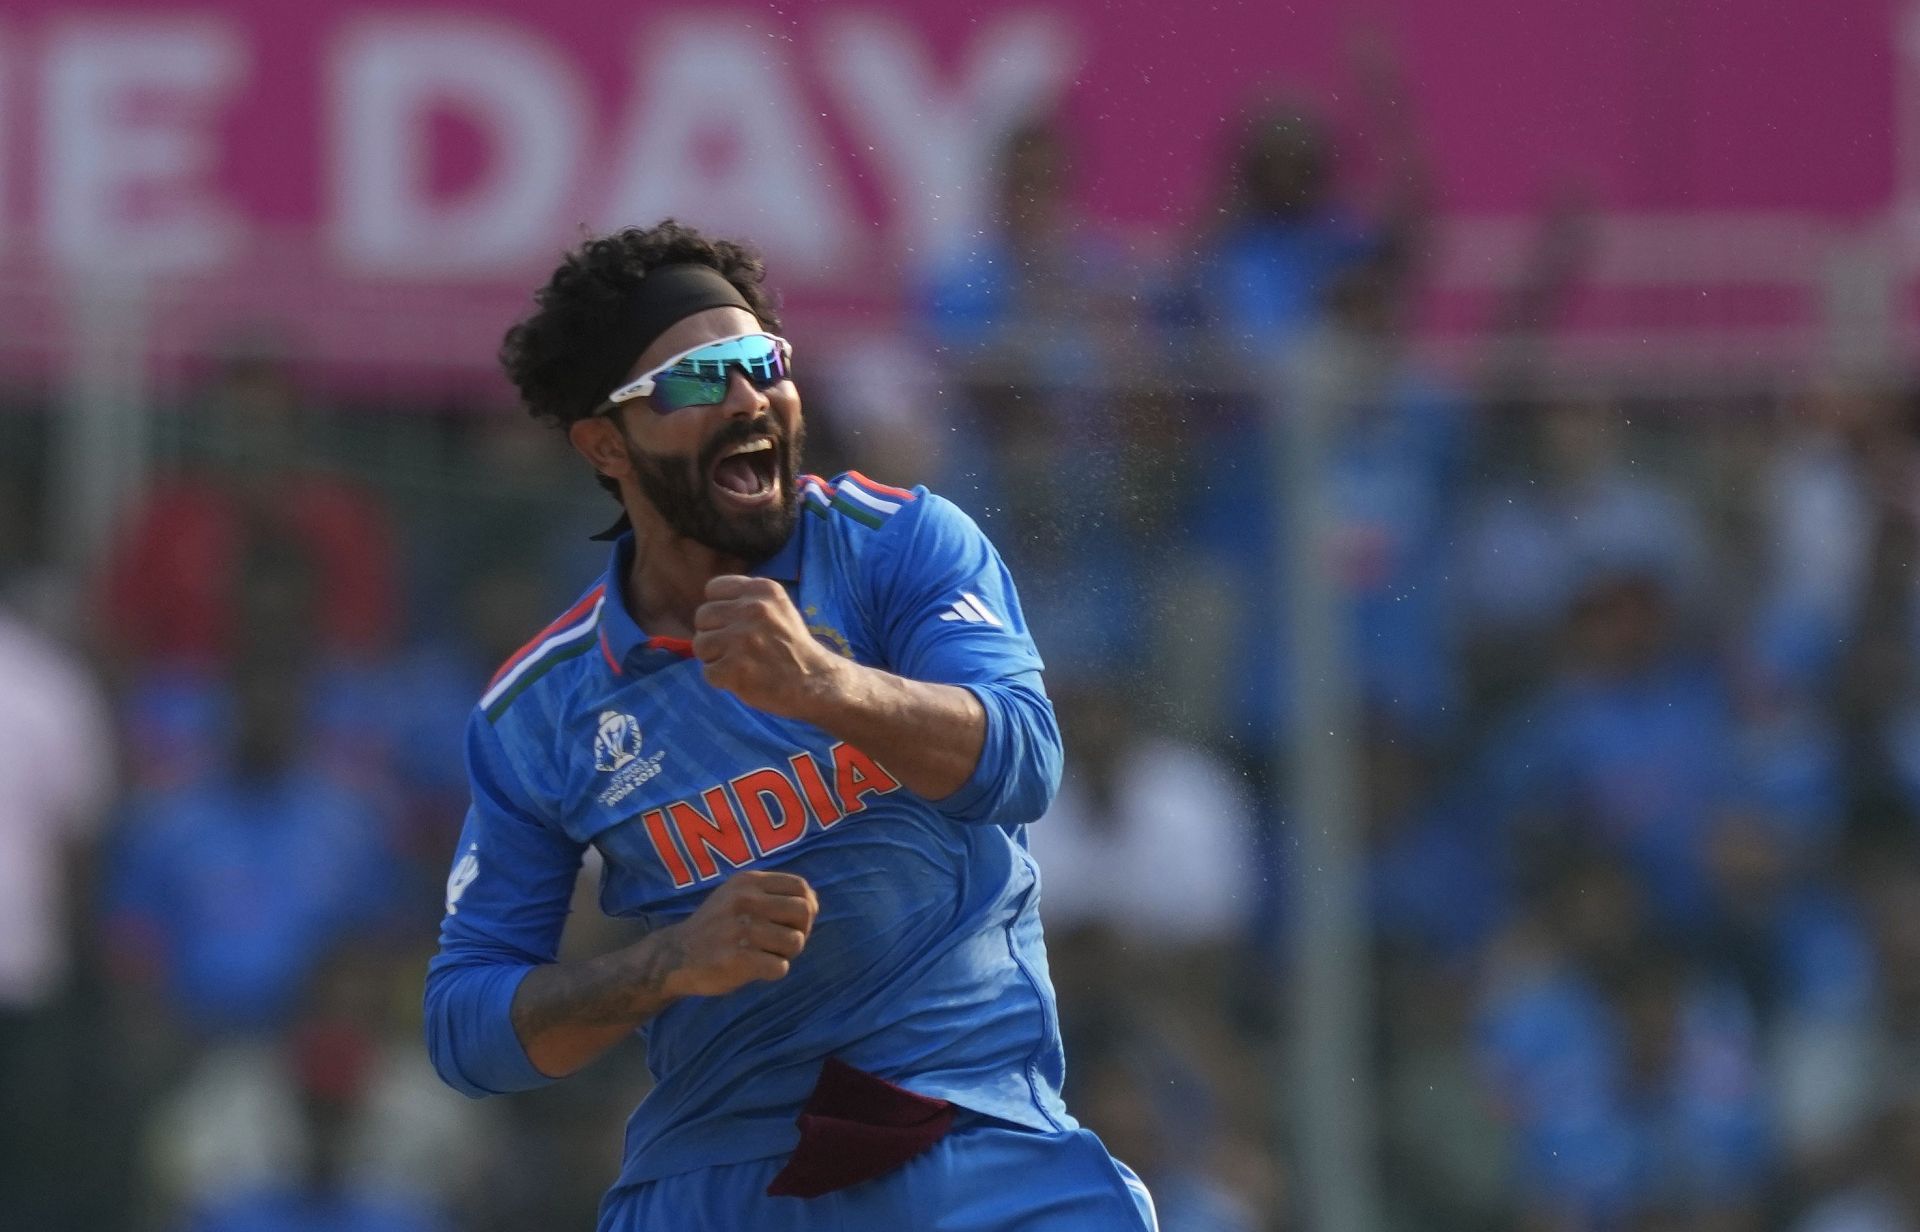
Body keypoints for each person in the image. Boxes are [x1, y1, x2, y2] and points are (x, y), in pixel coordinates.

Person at [423, 220, 1157, 1231]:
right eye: (696, 380)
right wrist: (665, 964)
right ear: (605, 443)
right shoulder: (541, 709)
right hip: (720, 1177)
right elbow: (467, 1027)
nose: (748, 398)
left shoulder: (899, 544)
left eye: (763, 362)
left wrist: (827, 685)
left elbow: (1024, 759)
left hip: (971, 1137)